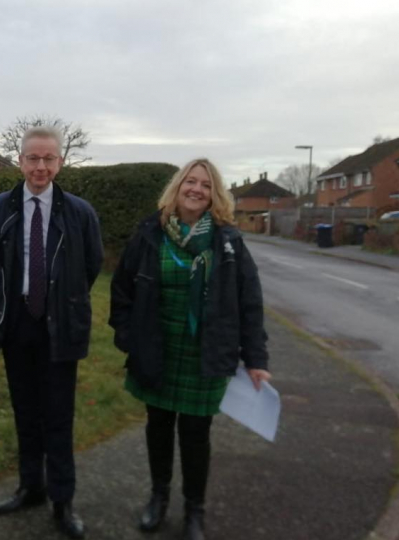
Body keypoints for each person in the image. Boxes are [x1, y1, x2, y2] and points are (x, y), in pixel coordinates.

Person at [109, 158, 271, 540]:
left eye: (205, 184)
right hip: (156, 349)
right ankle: (158, 499)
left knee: (197, 435)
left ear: (215, 194)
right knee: (159, 428)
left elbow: (250, 301)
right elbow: (122, 289)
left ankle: (194, 509)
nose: (196, 189)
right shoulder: (150, 232)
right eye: (190, 182)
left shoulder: (228, 240)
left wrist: (257, 359)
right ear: (178, 187)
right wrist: (128, 337)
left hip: (206, 353)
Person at [0, 126, 103, 539]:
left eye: (49, 158)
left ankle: (63, 501)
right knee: (26, 414)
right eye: (33, 158)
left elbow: (89, 267)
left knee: (58, 418)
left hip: (59, 328)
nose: (40, 166)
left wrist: (59, 301)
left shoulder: (80, 212)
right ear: (20, 161)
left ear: (60, 163)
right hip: (17, 326)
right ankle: (30, 486)